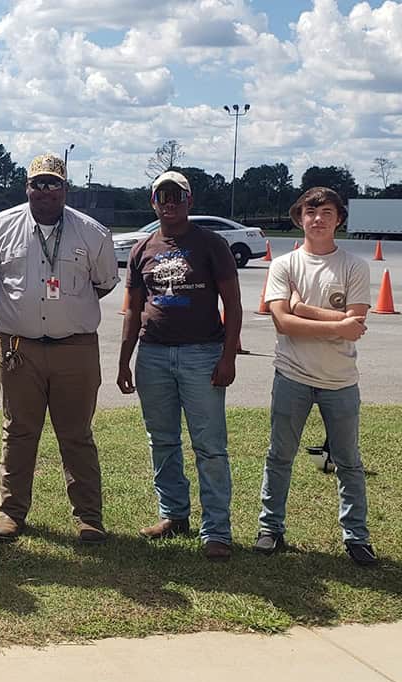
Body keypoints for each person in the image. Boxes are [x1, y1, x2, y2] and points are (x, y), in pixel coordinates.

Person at [0, 153, 120, 544]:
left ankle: (88, 517)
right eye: (37, 184)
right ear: (26, 187)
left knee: (76, 434)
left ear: (65, 189)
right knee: (18, 431)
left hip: (74, 349)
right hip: (17, 348)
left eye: (53, 184)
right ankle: (10, 513)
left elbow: (105, 282)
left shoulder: (92, 233)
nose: (45, 191)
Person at [116, 171, 242, 560]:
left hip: (201, 354)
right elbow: (132, 309)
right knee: (163, 440)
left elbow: (233, 305)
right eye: (161, 195)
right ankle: (173, 514)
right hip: (153, 355)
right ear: (153, 201)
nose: (169, 202)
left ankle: (217, 529)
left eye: (177, 195)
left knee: (209, 445)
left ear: (190, 200)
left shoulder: (210, 244)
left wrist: (227, 356)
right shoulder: (142, 249)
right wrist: (125, 360)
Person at [256, 187, 377, 566]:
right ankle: (270, 528)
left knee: (348, 461)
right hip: (291, 376)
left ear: (339, 218)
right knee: (280, 456)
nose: (318, 219)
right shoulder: (285, 265)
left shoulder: (355, 266)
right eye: (311, 212)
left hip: (340, 380)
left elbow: (356, 323)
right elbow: (282, 322)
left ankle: (356, 536)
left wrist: (303, 308)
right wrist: (336, 322)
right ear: (300, 218)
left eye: (326, 212)